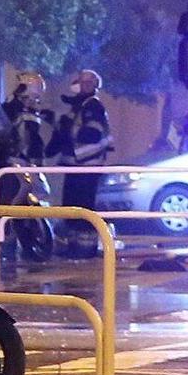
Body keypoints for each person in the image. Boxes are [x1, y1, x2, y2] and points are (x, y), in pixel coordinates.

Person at [57, 68, 115, 255]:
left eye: (88, 83)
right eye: (82, 82)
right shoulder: (80, 106)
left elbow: (92, 134)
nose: (84, 86)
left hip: (87, 167)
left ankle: (85, 248)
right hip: (76, 167)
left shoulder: (93, 106)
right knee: (72, 208)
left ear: (95, 85)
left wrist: (68, 133)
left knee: (83, 209)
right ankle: (74, 246)